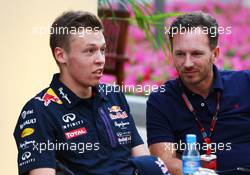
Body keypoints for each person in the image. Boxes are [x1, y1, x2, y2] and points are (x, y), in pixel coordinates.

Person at [13, 10, 152, 175]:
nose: (100, 59)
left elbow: (144, 161)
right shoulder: (39, 111)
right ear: (61, 55)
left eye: (102, 50)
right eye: (90, 51)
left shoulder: (114, 96)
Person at [146, 11, 250, 175]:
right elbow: (164, 161)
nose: (187, 63)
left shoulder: (248, 83)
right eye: (180, 54)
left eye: (196, 54)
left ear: (215, 54)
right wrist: (197, 173)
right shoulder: (161, 99)